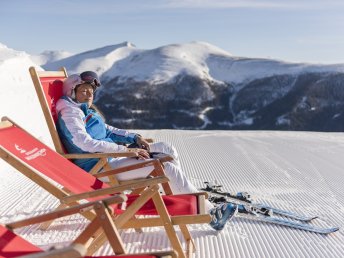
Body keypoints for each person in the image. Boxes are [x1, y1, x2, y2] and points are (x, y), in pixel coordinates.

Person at [55, 71, 238, 231]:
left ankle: (177, 193)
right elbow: (84, 143)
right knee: (166, 168)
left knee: (166, 148)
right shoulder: (70, 114)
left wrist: (133, 138)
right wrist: (125, 151)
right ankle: (211, 215)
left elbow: (107, 130)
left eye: (91, 91)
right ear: (72, 91)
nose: (89, 94)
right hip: (99, 168)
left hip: (112, 158)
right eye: (84, 90)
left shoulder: (85, 110)